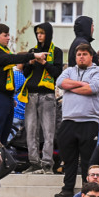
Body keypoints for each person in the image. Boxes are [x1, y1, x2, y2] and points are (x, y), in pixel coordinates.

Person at [54, 44, 99, 197]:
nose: (81, 57)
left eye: (84, 54)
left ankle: (87, 190)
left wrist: (72, 87)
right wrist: (82, 84)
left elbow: (93, 88)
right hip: (68, 121)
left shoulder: (98, 72)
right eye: (79, 54)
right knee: (68, 158)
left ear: (91, 56)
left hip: (89, 121)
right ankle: (67, 188)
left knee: (87, 160)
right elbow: (60, 83)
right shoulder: (69, 71)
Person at [21, 22, 63, 174]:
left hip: (47, 96)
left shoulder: (56, 52)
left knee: (48, 131)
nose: (39, 36)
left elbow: (57, 73)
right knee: (30, 130)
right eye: (37, 33)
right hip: (30, 95)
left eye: (42, 33)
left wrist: (44, 62)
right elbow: (25, 73)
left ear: (48, 34)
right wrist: (31, 62)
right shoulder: (33, 51)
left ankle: (47, 164)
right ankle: (34, 162)